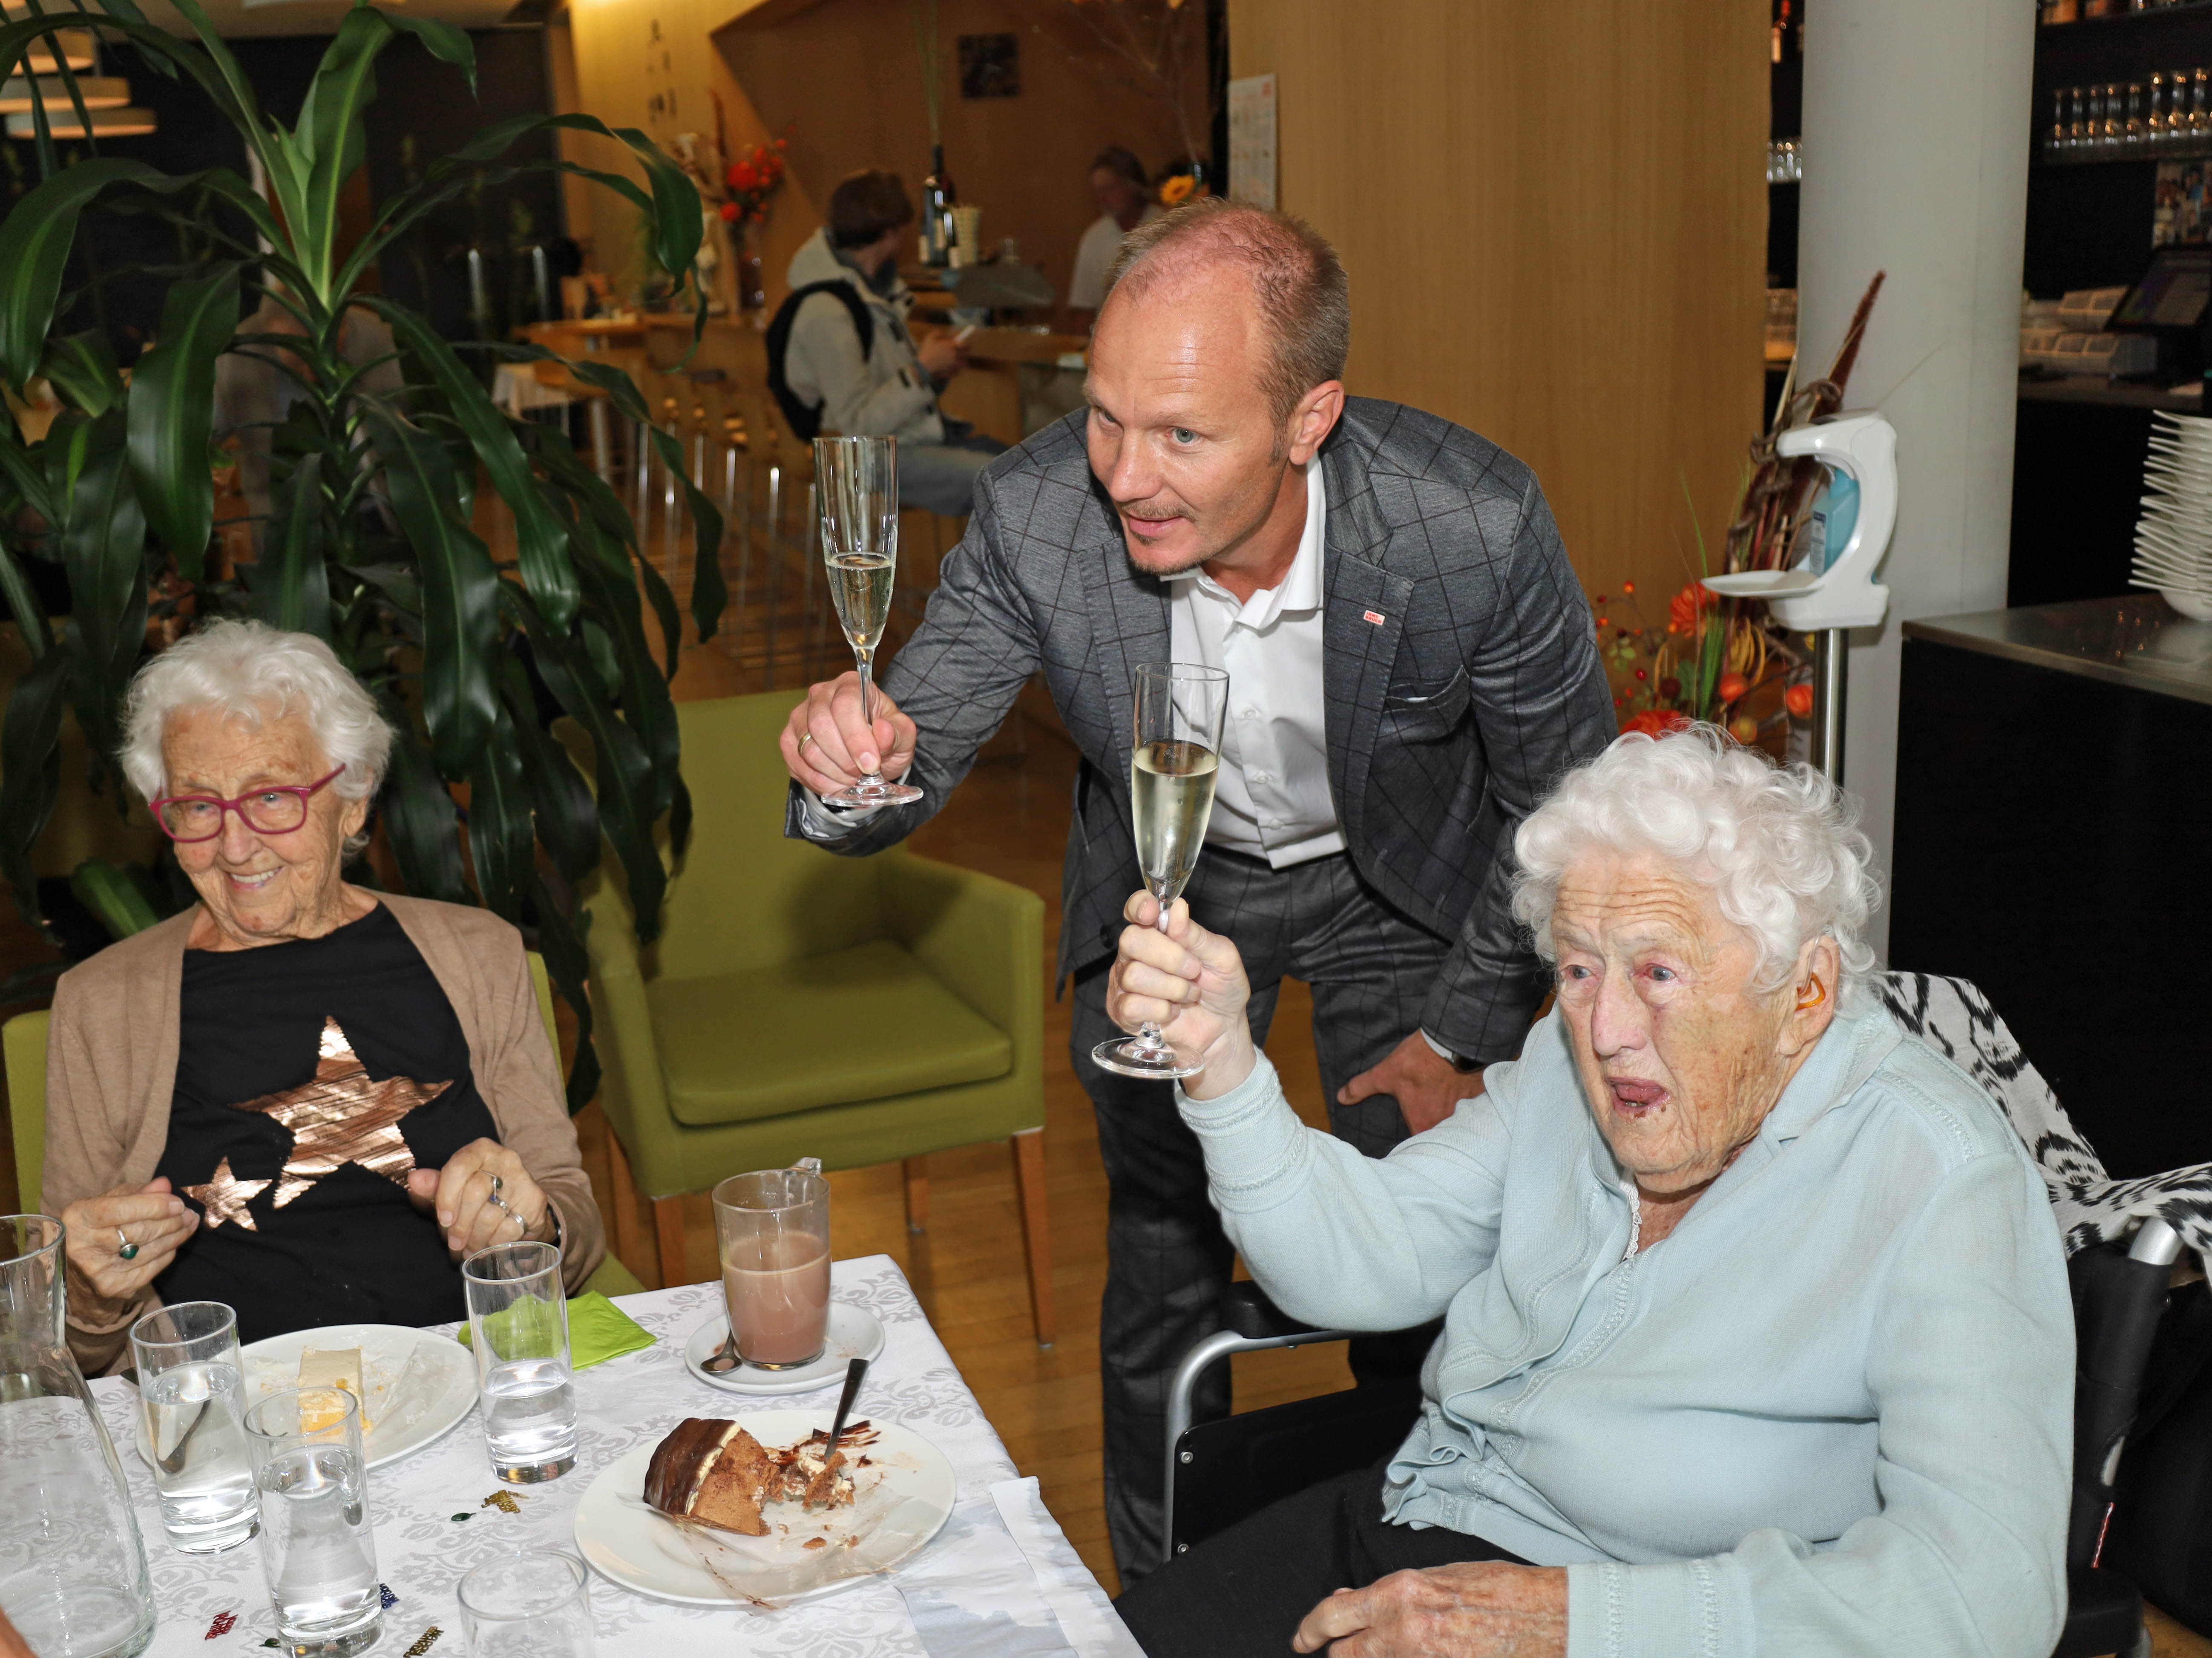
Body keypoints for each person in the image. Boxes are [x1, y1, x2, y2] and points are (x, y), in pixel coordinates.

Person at [780, 197, 1616, 1577]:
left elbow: (1567, 809)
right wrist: (842, 760)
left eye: (1181, 434)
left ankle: (1425, 1562)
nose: (1124, 474)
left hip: (1394, 898)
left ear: (1309, 419)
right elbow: (905, 747)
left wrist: (1466, 1024)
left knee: (1421, 1256)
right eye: (1105, 415)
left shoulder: (1466, 526)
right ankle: (1160, 1597)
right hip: (1172, 898)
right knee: (1164, 1275)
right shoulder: (1043, 514)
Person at [1104, 725, 2072, 1658]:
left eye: (1656, 971)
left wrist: (1578, 1625)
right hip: (1405, 1531)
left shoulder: (1939, 1181)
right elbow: (1368, 1254)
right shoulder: (1563, 1070)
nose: (1604, 1027)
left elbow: (1982, 1598)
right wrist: (1222, 1065)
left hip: (1665, 1627)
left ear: (1804, 992)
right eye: (1575, 969)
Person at [43, 620, 606, 1376]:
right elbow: (69, 1339)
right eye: (198, 807)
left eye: (272, 796)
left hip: (467, 1373)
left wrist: (532, 1225)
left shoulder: (479, 953)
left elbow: (573, 1227)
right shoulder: (100, 1005)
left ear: (353, 798)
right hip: (236, 1406)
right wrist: (90, 1291)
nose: (235, 846)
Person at [777, 168, 1007, 516]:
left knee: (1028, 470)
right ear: (890, 232)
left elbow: (889, 395)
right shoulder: (826, 309)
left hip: (904, 442)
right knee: (1009, 484)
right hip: (861, 460)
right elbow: (857, 427)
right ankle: (976, 572)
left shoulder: (872, 294)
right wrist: (920, 371)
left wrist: (935, 372)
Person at [1065, 146, 1159, 331]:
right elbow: (1084, 309)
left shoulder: (1165, 225)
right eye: (1098, 192)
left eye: (1109, 189)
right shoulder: (1095, 237)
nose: (1102, 199)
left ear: (1133, 187)